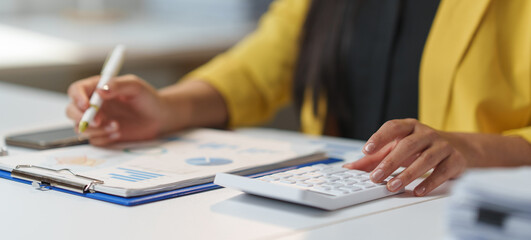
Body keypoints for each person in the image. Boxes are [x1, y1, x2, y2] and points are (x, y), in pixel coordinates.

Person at [66, 0, 531, 197]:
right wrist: (168, 108)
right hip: (338, 204)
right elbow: (264, 62)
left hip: (470, 209)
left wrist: (474, 148)